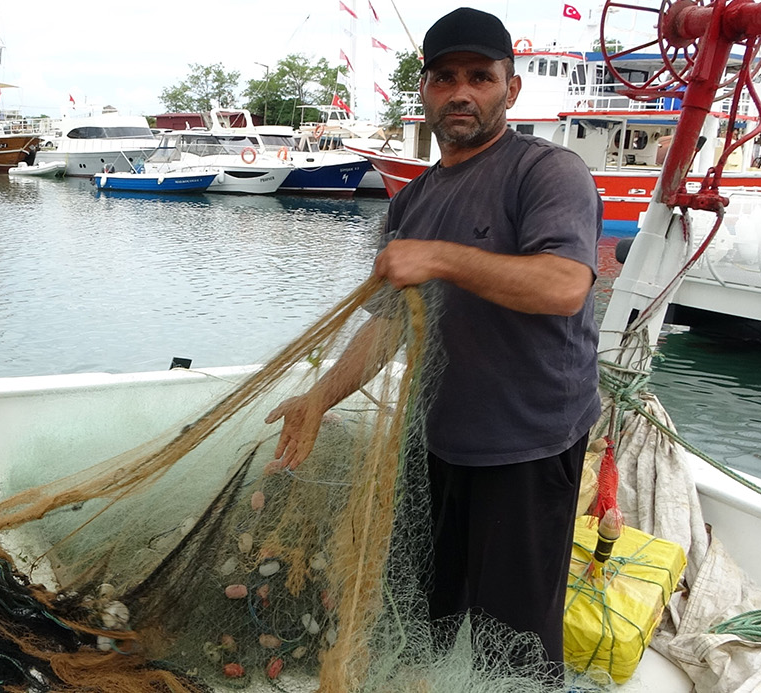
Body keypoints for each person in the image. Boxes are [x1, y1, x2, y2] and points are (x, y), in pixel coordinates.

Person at [266, 6, 601, 683]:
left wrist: (441, 259)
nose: (461, 92)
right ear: (423, 90)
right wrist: (318, 396)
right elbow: (390, 324)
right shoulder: (413, 200)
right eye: (445, 77)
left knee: (514, 647)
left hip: (528, 448)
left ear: (512, 87)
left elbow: (565, 285)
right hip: (436, 444)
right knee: (424, 617)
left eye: (481, 76)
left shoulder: (548, 172)